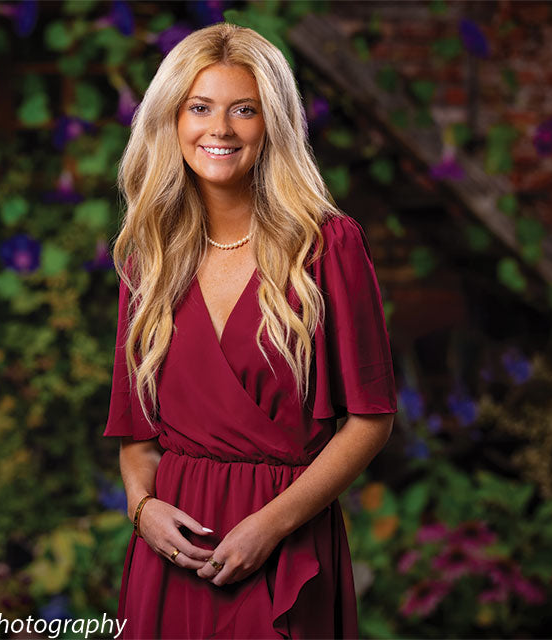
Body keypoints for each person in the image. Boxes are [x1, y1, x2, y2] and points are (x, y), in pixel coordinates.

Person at [103, 21, 397, 639]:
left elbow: (371, 419)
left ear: (274, 126)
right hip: (172, 555)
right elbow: (136, 432)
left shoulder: (328, 246)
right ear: (172, 120)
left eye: (245, 110)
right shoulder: (149, 257)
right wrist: (141, 508)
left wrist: (271, 525)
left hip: (284, 544)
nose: (220, 129)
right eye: (200, 107)